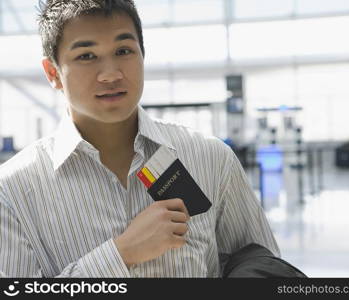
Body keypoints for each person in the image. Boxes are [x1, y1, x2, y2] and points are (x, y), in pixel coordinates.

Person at [0, 0, 279, 277]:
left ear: (142, 55)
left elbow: (266, 269)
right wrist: (121, 254)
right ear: (53, 73)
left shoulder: (211, 158)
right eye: (86, 55)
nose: (111, 74)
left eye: (123, 51)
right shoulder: (12, 190)